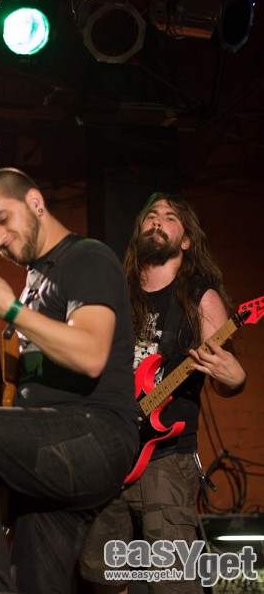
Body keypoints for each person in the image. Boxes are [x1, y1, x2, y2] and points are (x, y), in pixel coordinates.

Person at [0, 168, 139, 593]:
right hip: (52, 452)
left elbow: (91, 355)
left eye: (3, 220)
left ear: (36, 202)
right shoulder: (33, 283)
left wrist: (11, 310)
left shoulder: (88, 258)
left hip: (95, 435)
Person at [79, 192, 247, 593]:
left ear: (185, 240)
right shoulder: (115, 293)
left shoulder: (200, 298)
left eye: (170, 217)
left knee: (172, 582)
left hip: (166, 459)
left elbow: (223, 380)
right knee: (98, 574)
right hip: (110, 451)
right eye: (150, 215)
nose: (157, 220)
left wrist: (234, 378)